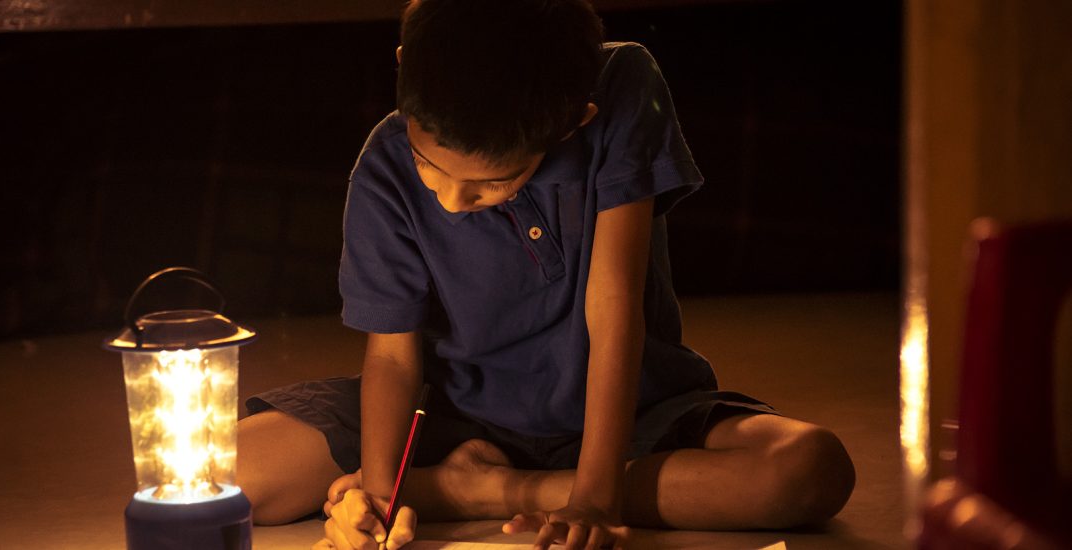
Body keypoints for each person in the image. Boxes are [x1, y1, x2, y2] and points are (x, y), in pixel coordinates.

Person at [236, 1, 856, 548]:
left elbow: (613, 305)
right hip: (453, 410)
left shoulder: (622, 87)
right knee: (234, 470)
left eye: (493, 183)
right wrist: (379, 496)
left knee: (808, 469)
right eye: (431, 165)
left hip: (626, 413)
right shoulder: (384, 167)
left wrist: (596, 497)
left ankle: (472, 491)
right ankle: (464, 482)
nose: (451, 200)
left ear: (571, 120)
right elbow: (394, 359)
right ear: (404, 66)